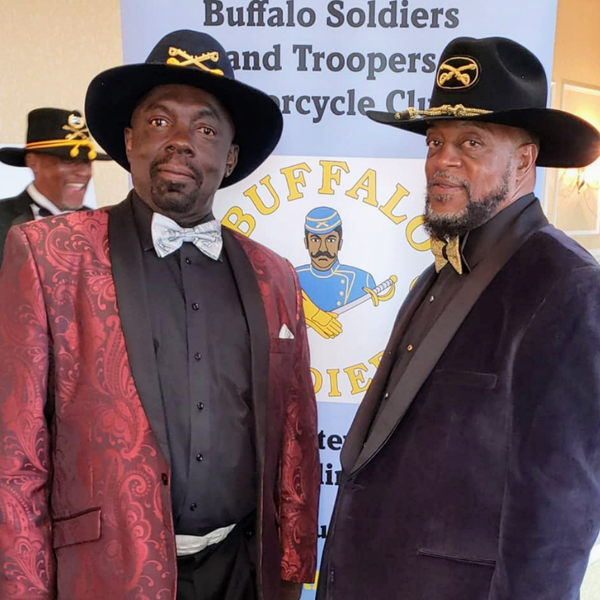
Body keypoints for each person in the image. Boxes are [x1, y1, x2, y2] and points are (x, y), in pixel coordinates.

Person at [0, 29, 319, 600]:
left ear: (230, 157)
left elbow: (296, 435)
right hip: (106, 577)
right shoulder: (49, 255)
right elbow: (15, 451)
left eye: (205, 129)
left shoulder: (274, 275)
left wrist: (292, 572)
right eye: (158, 121)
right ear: (129, 141)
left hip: (242, 572)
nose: (179, 141)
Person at [317, 36, 600, 600]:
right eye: (435, 141)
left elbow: (555, 524)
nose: (442, 160)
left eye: (471, 142)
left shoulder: (567, 285)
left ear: (524, 161)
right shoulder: (438, 273)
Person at [0, 107, 110, 266]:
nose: (83, 172)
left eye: (86, 162)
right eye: (69, 161)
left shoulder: (101, 225)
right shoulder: (3, 219)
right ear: (33, 162)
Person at [296, 207, 376, 312]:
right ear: (306, 243)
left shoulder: (362, 280)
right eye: (315, 240)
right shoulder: (292, 277)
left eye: (331, 240)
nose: (323, 248)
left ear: (340, 244)